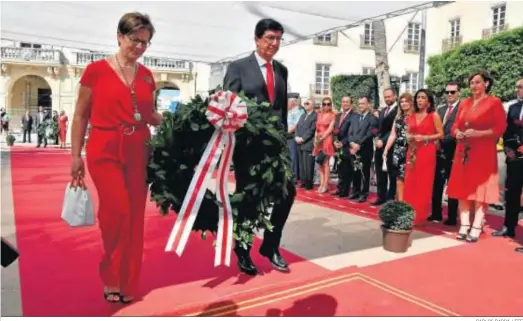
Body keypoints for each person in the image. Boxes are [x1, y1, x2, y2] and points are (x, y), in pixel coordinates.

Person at [70, 12, 163, 303]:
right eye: (134, 40)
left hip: (139, 149)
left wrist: (186, 121)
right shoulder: (95, 71)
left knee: (135, 217)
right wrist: (75, 155)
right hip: (104, 147)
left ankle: (128, 283)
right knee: (116, 211)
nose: (139, 47)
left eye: (145, 43)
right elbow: (80, 115)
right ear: (120, 36)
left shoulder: (148, 76)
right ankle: (110, 276)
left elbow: (150, 116)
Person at [223, 18, 295, 276]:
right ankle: (242, 250)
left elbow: (282, 109)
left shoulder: (282, 70)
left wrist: (283, 137)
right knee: (249, 198)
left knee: (288, 194)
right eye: (269, 38)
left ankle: (270, 245)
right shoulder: (238, 67)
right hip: (249, 146)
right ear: (256, 39)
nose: (274, 44)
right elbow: (228, 107)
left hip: (276, 146)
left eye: (278, 39)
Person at [447, 71, 506, 243]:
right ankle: (464, 224)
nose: (474, 85)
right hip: (462, 151)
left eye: (478, 82)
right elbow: (455, 125)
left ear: (486, 84)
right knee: (462, 188)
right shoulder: (465, 102)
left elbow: (500, 128)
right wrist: (456, 132)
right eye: (472, 82)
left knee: (480, 190)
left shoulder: (494, 102)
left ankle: (477, 225)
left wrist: (479, 133)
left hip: (483, 152)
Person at [403, 89, 443, 226]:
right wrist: (409, 137)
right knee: (410, 181)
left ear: (429, 101)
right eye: (418, 97)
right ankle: (408, 213)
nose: (419, 100)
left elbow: (440, 134)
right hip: (412, 151)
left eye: (423, 97)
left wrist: (426, 137)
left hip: (427, 151)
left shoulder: (434, 115)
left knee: (423, 183)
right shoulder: (412, 114)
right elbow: (408, 132)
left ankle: (420, 216)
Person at [492, 76, 523, 240]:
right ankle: (508, 227)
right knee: (512, 194)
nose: (517, 89)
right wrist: (509, 150)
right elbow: (508, 132)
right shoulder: (513, 108)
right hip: (515, 159)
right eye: (517, 86)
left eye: (520, 87)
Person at [429, 81, 461, 225]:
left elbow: (456, 132)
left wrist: (440, 140)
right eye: (447, 92)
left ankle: (452, 216)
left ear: (458, 93)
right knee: (436, 184)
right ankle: (436, 213)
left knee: (453, 186)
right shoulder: (440, 110)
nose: (449, 95)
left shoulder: (462, 109)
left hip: (454, 153)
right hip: (437, 154)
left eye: (452, 92)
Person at [383, 93, 414, 201]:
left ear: (411, 102)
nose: (404, 104)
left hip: (411, 150)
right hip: (398, 150)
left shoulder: (415, 116)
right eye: (402, 102)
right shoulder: (398, 117)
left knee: (409, 177)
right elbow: (393, 134)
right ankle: (400, 202)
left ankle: (409, 201)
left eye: (406, 101)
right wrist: (386, 149)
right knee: (399, 177)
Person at [347, 96, 379, 203]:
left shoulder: (372, 118)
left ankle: (364, 193)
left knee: (364, 173)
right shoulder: (354, 117)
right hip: (353, 149)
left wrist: (358, 145)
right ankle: (355, 191)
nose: (361, 106)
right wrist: (352, 143)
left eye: (363, 103)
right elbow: (350, 132)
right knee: (355, 171)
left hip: (365, 149)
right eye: (359, 103)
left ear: (368, 104)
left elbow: (370, 134)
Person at [373, 88, 398, 206]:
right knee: (379, 172)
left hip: (392, 146)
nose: (387, 99)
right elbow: (380, 128)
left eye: (389, 96)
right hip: (379, 146)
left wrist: (383, 140)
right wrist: (377, 138)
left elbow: (394, 130)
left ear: (395, 96)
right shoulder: (383, 111)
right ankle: (380, 196)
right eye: (385, 97)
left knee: (392, 173)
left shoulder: (399, 111)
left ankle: (390, 197)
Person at [332, 96, 357, 197]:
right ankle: (340, 188)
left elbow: (352, 132)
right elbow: (334, 131)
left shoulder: (354, 116)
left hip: (347, 146)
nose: (345, 104)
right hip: (337, 147)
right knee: (340, 169)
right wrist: (334, 141)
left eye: (347, 102)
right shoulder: (338, 116)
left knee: (347, 169)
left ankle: (345, 191)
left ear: (351, 103)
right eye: (343, 102)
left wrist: (343, 142)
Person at [313, 97, 336, 193]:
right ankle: (321, 183)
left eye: (328, 104)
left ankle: (326, 185)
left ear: (331, 105)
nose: (326, 106)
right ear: (322, 105)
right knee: (320, 163)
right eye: (324, 104)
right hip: (318, 140)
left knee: (326, 163)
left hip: (327, 140)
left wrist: (322, 138)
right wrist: (315, 139)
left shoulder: (333, 115)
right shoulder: (319, 114)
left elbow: (330, 129)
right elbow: (316, 128)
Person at [295, 98, 317, 190]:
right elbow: (297, 127)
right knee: (302, 164)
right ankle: (303, 181)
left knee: (308, 165)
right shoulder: (302, 115)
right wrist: (296, 137)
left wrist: (303, 138)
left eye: (307, 103)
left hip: (308, 143)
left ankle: (308, 183)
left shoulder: (315, 116)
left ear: (312, 105)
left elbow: (312, 130)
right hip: (299, 143)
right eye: (305, 103)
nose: (305, 105)